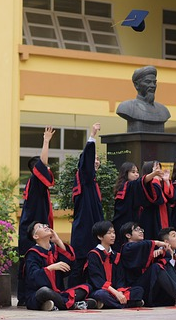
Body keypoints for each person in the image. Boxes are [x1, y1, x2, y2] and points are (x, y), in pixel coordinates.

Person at [118, 221, 176, 307]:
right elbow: (142, 246)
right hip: (136, 286)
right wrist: (158, 243)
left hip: (148, 284)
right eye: (136, 230)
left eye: (141, 229)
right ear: (128, 235)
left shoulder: (143, 247)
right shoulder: (127, 248)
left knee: (164, 263)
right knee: (156, 267)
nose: (141, 231)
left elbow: (148, 251)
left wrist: (161, 251)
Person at [17, 126, 56, 306]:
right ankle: (28, 297)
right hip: (31, 230)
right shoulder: (35, 180)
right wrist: (46, 141)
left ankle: (27, 297)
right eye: (45, 167)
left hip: (32, 228)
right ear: (37, 170)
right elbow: (42, 165)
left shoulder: (38, 186)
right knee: (30, 265)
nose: (48, 169)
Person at [22, 221, 98, 311]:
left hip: (58, 293)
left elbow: (70, 267)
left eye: (45, 225)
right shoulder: (32, 254)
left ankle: (55, 304)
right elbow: (33, 277)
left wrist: (58, 241)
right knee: (44, 291)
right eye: (40, 226)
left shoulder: (55, 250)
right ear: (35, 236)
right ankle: (75, 305)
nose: (46, 226)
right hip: (37, 294)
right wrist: (51, 268)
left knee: (87, 287)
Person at [68, 123, 105, 288]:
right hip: (84, 229)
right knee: (79, 265)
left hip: (92, 228)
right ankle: (72, 294)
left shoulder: (92, 181)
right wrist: (92, 136)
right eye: (93, 159)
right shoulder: (84, 177)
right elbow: (86, 163)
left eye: (97, 159)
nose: (96, 162)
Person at [85, 220, 145, 309]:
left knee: (138, 290)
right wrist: (116, 293)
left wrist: (120, 292)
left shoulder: (116, 255)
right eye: (109, 233)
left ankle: (108, 304)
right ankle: (126, 304)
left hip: (116, 291)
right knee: (101, 294)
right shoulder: (93, 255)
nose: (113, 235)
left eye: (113, 232)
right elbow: (97, 279)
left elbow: (121, 278)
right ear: (100, 236)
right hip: (101, 290)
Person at [116, 65, 171, 132]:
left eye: (154, 82)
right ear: (136, 85)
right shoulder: (126, 107)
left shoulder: (163, 111)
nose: (152, 85)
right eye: (148, 82)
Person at [111, 162, 146, 252]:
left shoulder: (133, 186)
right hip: (123, 222)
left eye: (137, 172)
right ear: (125, 173)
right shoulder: (126, 185)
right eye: (133, 172)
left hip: (132, 221)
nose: (136, 174)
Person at [137, 160, 173, 240]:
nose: (159, 171)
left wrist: (167, 181)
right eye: (156, 169)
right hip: (152, 219)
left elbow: (171, 199)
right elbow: (157, 199)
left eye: (160, 168)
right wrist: (155, 178)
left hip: (163, 217)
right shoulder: (147, 185)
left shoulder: (160, 184)